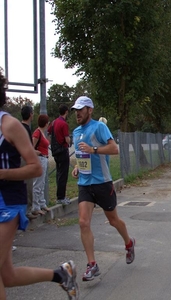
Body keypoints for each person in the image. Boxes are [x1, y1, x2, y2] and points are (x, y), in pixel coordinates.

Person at [0, 69, 79, 300]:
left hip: (8, 204)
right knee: (8, 276)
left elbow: (34, 167)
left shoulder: (10, 125)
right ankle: (61, 274)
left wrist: (2, 173)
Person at [70, 96, 135, 281]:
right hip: (85, 184)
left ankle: (129, 243)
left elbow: (114, 149)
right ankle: (92, 264)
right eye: (76, 109)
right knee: (83, 222)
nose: (78, 113)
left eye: (81, 109)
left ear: (90, 110)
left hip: (102, 182)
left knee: (114, 220)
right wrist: (77, 167)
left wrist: (94, 150)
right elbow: (82, 156)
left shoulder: (99, 127)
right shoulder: (75, 132)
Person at [48, 104, 71, 205]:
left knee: (58, 173)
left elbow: (49, 132)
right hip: (62, 150)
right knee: (63, 174)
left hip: (55, 150)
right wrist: (69, 142)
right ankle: (61, 197)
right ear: (66, 112)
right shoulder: (63, 124)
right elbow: (67, 138)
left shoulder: (53, 122)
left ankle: (59, 195)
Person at [31, 114, 51, 215]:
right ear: (46, 123)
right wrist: (37, 152)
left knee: (42, 182)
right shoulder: (37, 133)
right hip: (40, 158)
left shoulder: (42, 133)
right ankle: (35, 206)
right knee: (37, 183)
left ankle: (42, 203)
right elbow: (31, 147)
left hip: (44, 158)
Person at [20, 105, 37, 220]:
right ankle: (27, 211)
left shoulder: (20, 127)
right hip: (25, 160)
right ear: (30, 114)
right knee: (28, 186)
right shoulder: (25, 128)